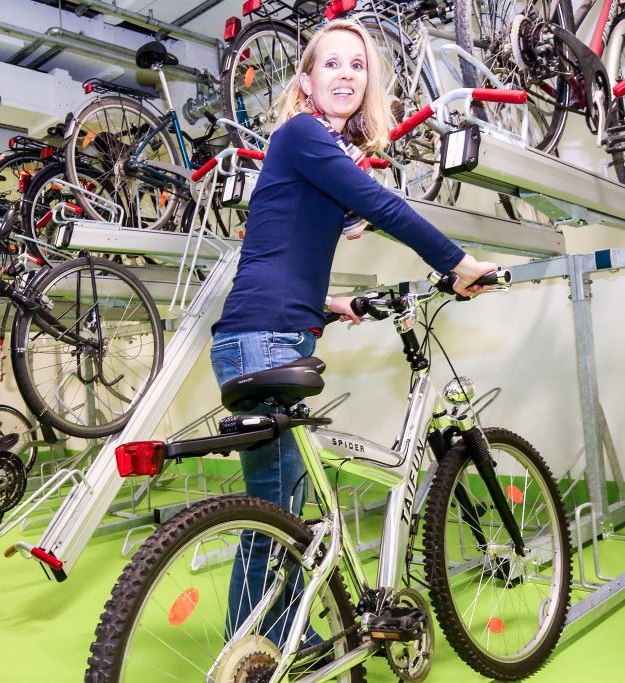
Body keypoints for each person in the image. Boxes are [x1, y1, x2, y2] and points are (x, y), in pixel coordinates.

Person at [209, 19, 498, 645]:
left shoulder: (314, 150)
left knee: (279, 508)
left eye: (357, 65)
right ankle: (257, 649)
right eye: (331, 64)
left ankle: (274, 639)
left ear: (369, 82)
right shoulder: (302, 134)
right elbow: (385, 206)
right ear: (306, 80)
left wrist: (327, 300)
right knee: (274, 514)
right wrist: (458, 263)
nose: (345, 74)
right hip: (264, 336)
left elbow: (280, 244)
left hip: (269, 329)